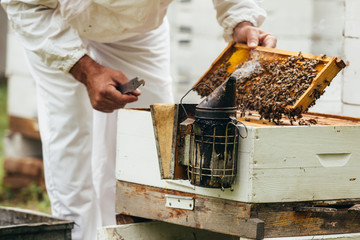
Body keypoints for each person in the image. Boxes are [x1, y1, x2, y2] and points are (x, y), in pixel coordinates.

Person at [1, 1, 276, 239]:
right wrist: (83, 69)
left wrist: (241, 19)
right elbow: (23, 4)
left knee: (148, 150)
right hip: (57, 20)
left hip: (137, 32)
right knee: (71, 153)